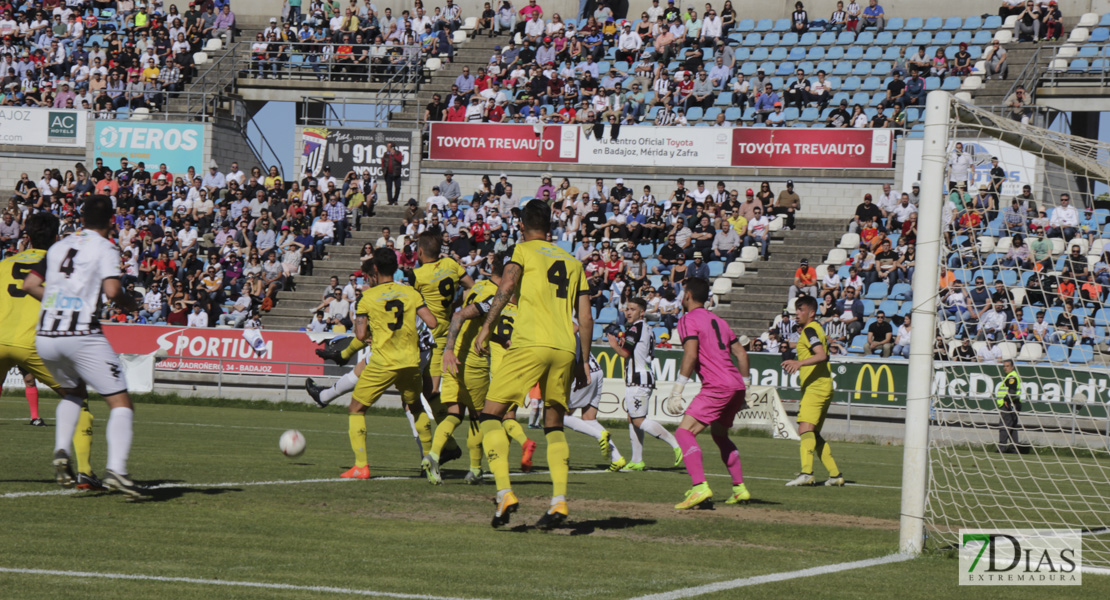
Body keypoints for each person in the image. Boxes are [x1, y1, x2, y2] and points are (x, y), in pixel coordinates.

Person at [472, 200, 593, 529]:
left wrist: (486, 328)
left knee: (489, 416)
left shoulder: (523, 252)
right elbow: (585, 316)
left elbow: (507, 286)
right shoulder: (573, 261)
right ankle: (559, 500)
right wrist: (582, 362)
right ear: (551, 226)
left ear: (523, 226)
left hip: (530, 343)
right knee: (554, 426)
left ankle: (504, 492)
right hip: (565, 348)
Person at [30, 196, 142, 497]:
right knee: (120, 403)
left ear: (81, 218)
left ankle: (61, 450)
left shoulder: (60, 246)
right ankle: (117, 469)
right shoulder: (105, 247)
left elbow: (30, 284)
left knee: (75, 393)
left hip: (46, 335)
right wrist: (130, 303)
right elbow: (112, 290)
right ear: (111, 221)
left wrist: (59, 306)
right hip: (81, 334)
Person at [1, 213, 101, 488]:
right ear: (58, 237)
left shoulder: (4, 264)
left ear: (27, 236)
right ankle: (85, 473)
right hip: (34, 342)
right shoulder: (61, 266)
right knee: (77, 398)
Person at [338, 247, 438, 479]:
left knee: (356, 409)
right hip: (411, 362)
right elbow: (431, 322)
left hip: (383, 363)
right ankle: (430, 458)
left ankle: (361, 466)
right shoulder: (410, 292)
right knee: (416, 408)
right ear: (396, 267)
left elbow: (361, 336)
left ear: (374, 270)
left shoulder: (368, 298)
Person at [663, 277, 752, 509]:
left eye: (684, 293)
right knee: (720, 435)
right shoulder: (719, 321)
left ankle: (699, 486)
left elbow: (691, 355)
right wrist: (746, 388)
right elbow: (741, 354)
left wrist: (677, 389)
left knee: (684, 433)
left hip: (717, 385)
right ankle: (739, 488)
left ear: (688, 296)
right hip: (736, 385)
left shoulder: (687, 319)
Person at [422, 270, 499, 485]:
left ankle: (433, 456)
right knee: (478, 417)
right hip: (472, 360)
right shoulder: (494, 296)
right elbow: (460, 315)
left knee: (454, 414)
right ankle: (475, 470)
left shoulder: (478, 286)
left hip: (454, 356)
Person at [607, 297, 681, 472]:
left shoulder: (635, 328)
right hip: (643, 377)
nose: (628, 312)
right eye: (627, 309)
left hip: (638, 379)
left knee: (639, 420)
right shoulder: (647, 328)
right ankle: (637, 460)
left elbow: (625, 354)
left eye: (632, 309)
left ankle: (676, 444)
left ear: (641, 312)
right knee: (633, 418)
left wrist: (613, 345)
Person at [781, 295, 843, 486]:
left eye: (801, 310)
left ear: (812, 312)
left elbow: (822, 355)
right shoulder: (815, 330)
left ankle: (806, 473)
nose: (797, 313)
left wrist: (799, 363)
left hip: (816, 388)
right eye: (796, 309)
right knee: (813, 434)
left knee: (804, 429)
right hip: (821, 386)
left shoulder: (809, 330)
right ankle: (835, 475)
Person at [995, 359, 1025, 454]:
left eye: (1007, 366)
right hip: (1015, 403)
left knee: (1004, 425)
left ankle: (1002, 448)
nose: (1005, 368)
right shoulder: (1011, 376)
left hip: (1010, 404)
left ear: (1012, 367)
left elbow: (1012, 391)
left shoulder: (1011, 377)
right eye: (1004, 366)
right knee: (1012, 427)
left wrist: (1007, 400)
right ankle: (1014, 448)